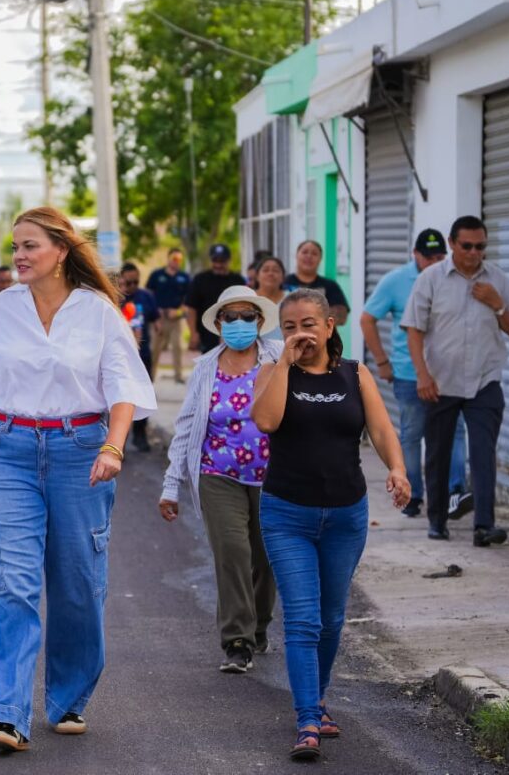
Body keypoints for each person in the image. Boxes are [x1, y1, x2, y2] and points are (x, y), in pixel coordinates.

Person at [0, 206, 156, 753]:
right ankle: (9, 714)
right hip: (8, 452)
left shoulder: (98, 313)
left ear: (61, 251)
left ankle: (68, 699)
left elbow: (122, 385)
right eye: (14, 246)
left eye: (30, 246)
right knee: (14, 582)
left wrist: (114, 446)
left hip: (80, 452)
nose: (18, 256)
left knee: (77, 586)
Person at [251, 288, 410, 762]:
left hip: (346, 514)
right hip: (286, 514)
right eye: (290, 327)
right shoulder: (271, 373)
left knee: (332, 618)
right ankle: (306, 720)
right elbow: (266, 420)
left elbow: (381, 430)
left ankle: (318, 696)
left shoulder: (354, 375)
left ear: (329, 326)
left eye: (308, 324)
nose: (300, 333)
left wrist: (398, 470)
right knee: (302, 619)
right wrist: (282, 364)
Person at [158, 285, 281, 675]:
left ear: (260, 322)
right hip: (217, 474)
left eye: (248, 317)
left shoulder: (279, 360)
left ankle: (258, 626)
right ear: (219, 323)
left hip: (273, 476)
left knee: (266, 558)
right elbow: (187, 426)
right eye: (232, 317)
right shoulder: (205, 367)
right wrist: (170, 485)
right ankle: (237, 640)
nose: (240, 324)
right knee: (232, 552)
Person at [403, 215, 509, 545]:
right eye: (467, 246)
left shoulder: (497, 280)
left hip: (485, 381)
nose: (474, 253)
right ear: (452, 244)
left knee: (484, 453)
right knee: (439, 454)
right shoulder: (431, 279)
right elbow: (414, 329)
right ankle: (437, 520)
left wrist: (498, 305)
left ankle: (484, 525)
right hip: (440, 382)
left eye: (481, 246)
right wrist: (423, 375)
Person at [361, 228, 468, 519]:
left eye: (440, 256)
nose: (436, 262)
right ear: (415, 255)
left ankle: (456, 492)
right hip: (409, 374)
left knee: (456, 432)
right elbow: (367, 318)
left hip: (449, 374)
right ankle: (413, 495)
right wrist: (382, 362)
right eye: (429, 257)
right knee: (412, 434)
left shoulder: (454, 277)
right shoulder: (396, 281)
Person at [120, 262, 160, 452]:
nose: (132, 286)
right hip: (119, 357)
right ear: (120, 281)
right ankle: (118, 441)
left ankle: (140, 435)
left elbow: (156, 320)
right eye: (128, 282)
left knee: (142, 396)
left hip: (142, 356)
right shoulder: (113, 298)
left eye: (136, 282)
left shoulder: (146, 297)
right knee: (119, 398)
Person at [185, 243, 246, 354]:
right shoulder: (200, 280)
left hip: (234, 331)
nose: (218, 264)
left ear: (228, 261)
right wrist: (193, 333)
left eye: (222, 261)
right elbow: (191, 309)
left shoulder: (238, 280)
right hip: (207, 333)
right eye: (215, 261)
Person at [146, 247, 191, 383]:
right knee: (155, 348)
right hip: (159, 318)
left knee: (178, 346)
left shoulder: (184, 277)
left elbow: (188, 300)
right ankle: (150, 376)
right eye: (174, 259)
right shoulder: (157, 275)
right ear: (168, 259)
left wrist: (178, 312)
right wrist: (154, 311)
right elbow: (149, 294)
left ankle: (178, 375)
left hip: (175, 318)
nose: (176, 262)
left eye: (179, 259)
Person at [284, 240, 350, 325]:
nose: (309, 256)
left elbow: (341, 317)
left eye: (314, 254)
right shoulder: (284, 283)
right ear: (296, 256)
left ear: (320, 259)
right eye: (304, 252)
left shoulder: (330, 286)